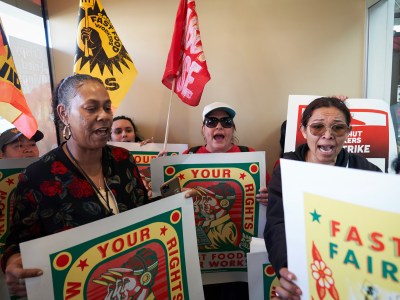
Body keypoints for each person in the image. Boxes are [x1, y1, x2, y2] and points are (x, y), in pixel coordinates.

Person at [0, 74, 153, 297]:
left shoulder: (123, 160)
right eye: (91, 109)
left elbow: (142, 212)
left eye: (107, 108)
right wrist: (14, 262)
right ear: (64, 114)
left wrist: (177, 202)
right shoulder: (37, 176)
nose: (104, 116)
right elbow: (18, 244)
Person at [264, 97, 382, 299]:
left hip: (351, 270)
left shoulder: (367, 172)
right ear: (303, 131)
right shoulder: (286, 169)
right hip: (306, 270)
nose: (327, 135)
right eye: (317, 127)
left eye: (337, 128)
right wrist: (287, 268)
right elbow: (277, 223)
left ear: (348, 132)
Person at [183, 101, 269, 300]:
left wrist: (268, 197)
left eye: (226, 121)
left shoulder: (250, 155)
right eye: (211, 122)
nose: (219, 126)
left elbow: (270, 202)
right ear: (203, 129)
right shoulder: (188, 156)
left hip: (240, 269)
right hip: (198, 266)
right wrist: (161, 168)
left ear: (233, 129)